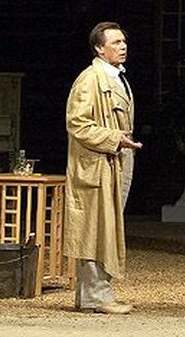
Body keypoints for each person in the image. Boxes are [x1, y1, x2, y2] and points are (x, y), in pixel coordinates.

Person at [64, 22, 142, 314]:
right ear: (99, 48)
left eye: (124, 41)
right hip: (96, 164)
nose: (123, 46)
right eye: (116, 42)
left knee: (105, 228)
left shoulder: (116, 77)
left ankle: (93, 296)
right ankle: (97, 297)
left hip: (115, 159)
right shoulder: (90, 80)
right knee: (96, 229)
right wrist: (114, 138)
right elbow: (77, 124)